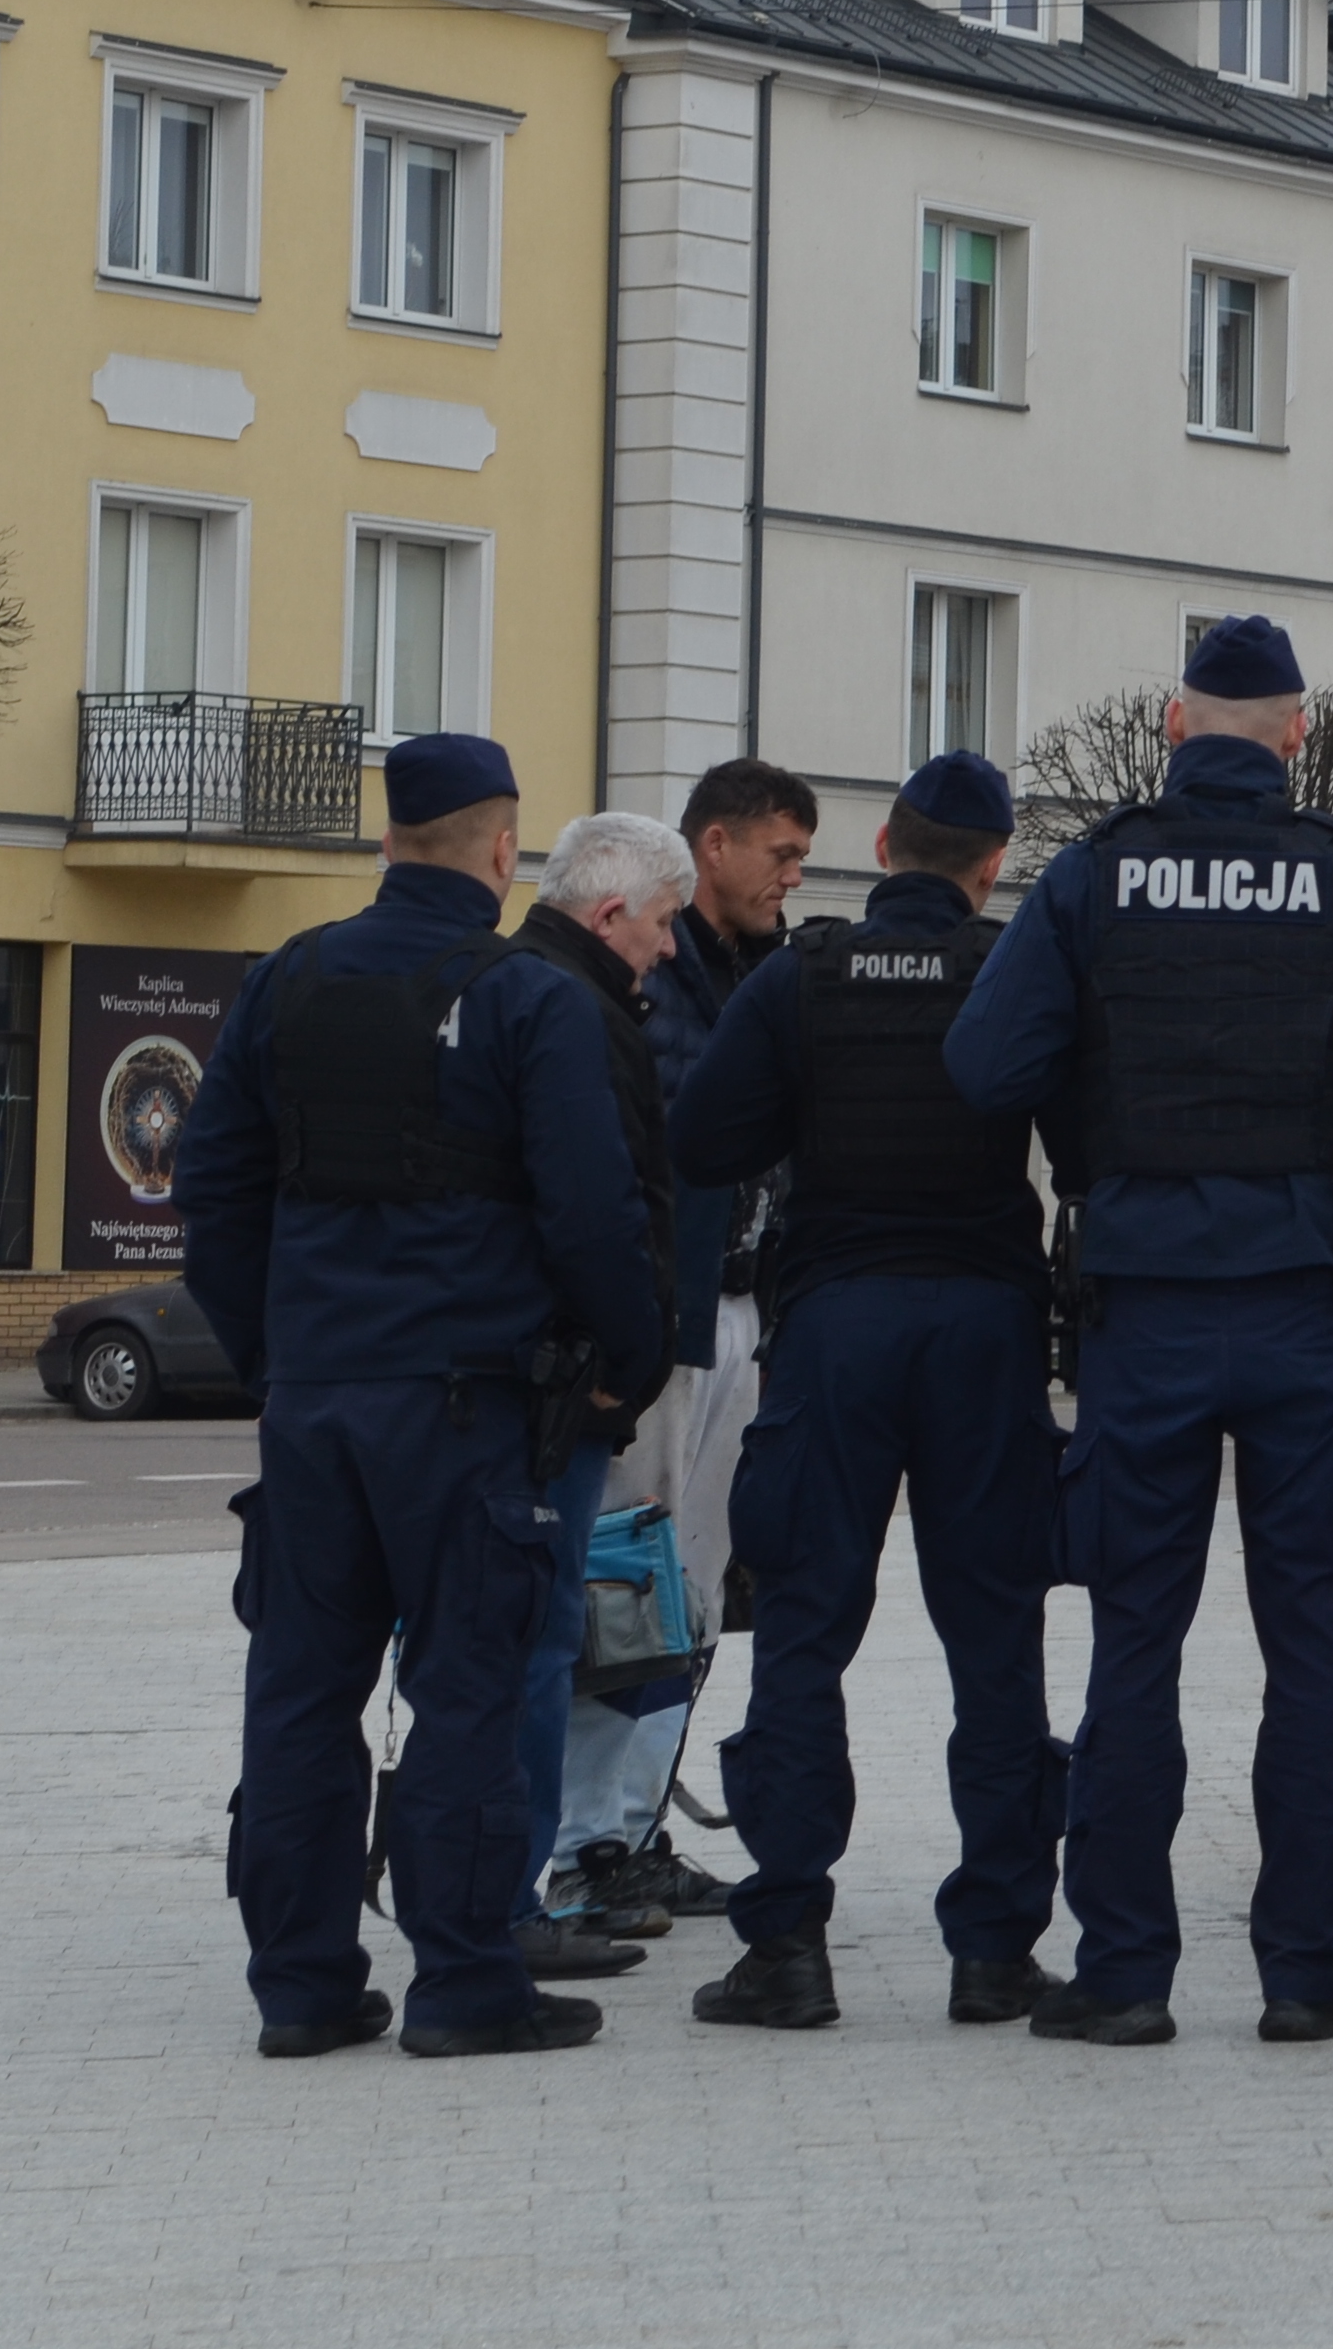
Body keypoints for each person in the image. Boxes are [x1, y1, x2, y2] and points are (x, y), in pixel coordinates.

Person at [944, 616, 1333, 2048]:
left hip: (1144, 1320)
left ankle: (1124, 1975)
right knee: (1310, 1650)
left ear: (1172, 730)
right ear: (1299, 735)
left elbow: (986, 1067)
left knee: (1136, 1647)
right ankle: (1307, 1972)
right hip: (1308, 1310)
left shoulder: (1094, 877)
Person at [177, 735, 665, 2060]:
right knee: (467, 1690)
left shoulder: (288, 979)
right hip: (463, 1407)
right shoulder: (526, 999)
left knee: (299, 1693)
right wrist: (627, 1357)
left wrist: (274, 1352)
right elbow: (592, 1211)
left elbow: (209, 1190)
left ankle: (301, 1988)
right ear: (505, 850)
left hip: (316, 1402)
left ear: (389, 841)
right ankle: (464, 1984)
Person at [666, 752, 1066, 2033]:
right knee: (994, 1640)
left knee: (802, 1631)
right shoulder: (1013, 970)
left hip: (836, 1330)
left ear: (884, 847)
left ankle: (787, 1947)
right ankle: (994, 1953)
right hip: (984, 1334)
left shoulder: (802, 974)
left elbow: (701, 1138)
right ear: (991, 867)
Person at [563, 754, 815, 1923]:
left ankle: (633, 1825)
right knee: (626, 1578)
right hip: (664, 1318)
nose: (792, 877)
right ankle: (585, 1846)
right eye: (781, 854)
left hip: (737, 1311)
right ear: (716, 844)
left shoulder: (763, 967)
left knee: (692, 1587)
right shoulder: (651, 974)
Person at [503, 811, 696, 1972]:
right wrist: (630, 1364)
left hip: (488, 1373)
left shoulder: (516, 986)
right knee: (535, 1638)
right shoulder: (572, 1008)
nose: (668, 950)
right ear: (613, 911)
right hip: (555, 1386)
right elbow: (597, 1209)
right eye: (663, 924)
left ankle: (490, 1897)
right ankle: (518, 1901)